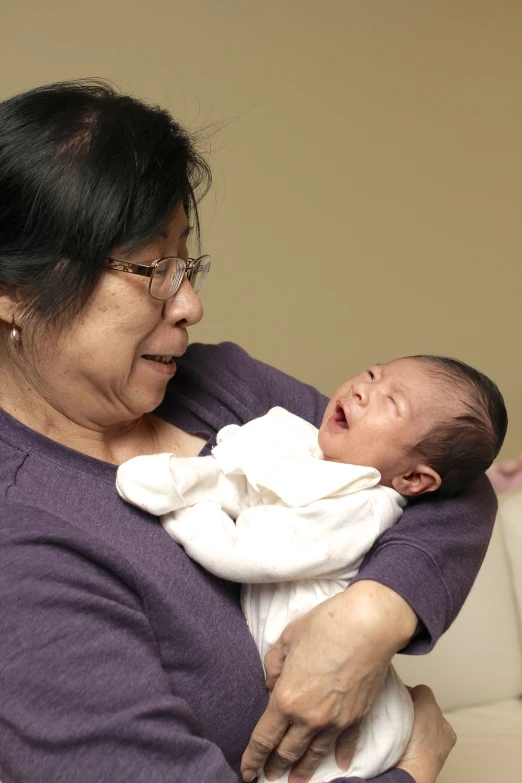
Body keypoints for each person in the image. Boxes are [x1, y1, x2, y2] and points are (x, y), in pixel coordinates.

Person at [0, 80, 495, 783]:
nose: (192, 304)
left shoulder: (220, 385)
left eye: (188, 262)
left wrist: (371, 618)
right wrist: (412, 769)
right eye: (152, 268)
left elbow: (449, 478)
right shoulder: (20, 539)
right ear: (12, 286)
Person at [116, 356, 507, 782]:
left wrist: (182, 509)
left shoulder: (361, 505)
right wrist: (190, 476)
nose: (362, 389)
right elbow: (245, 481)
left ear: (413, 481)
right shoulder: (312, 453)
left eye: (391, 403)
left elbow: (247, 550)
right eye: (372, 374)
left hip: (355, 738)